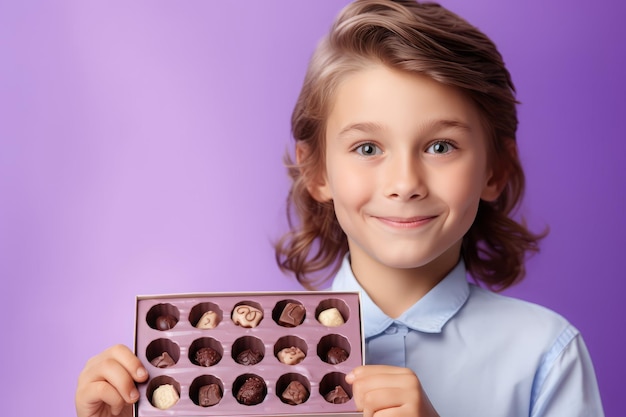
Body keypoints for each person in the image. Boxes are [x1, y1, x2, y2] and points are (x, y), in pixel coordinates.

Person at [75, 1, 604, 416]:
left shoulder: (544, 354)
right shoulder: (243, 357)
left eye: (440, 146)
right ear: (317, 172)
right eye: (368, 148)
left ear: (494, 169)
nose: (404, 183)